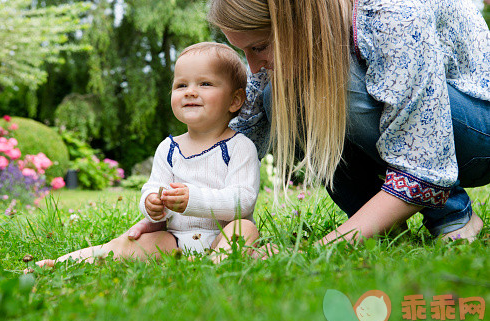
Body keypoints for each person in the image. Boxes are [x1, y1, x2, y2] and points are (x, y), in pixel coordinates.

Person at [207, 0, 490, 245]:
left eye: (259, 47)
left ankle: (453, 217)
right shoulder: (313, 32)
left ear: (298, 21)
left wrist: (320, 248)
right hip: (435, 132)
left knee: (320, 86)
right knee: (276, 95)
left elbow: (424, 161)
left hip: (478, 129)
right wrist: (186, 206)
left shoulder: (392, 13)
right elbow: (245, 132)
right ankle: (383, 229)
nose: (254, 67)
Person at [36, 42, 261, 267]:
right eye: (181, 85)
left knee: (245, 229)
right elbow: (153, 187)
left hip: (221, 237)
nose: (190, 91)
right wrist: (152, 204)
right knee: (127, 243)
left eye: (205, 83)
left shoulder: (239, 146)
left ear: (235, 100)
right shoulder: (169, 148)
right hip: (173, 241)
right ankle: (66, 262)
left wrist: (193, 200)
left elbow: (243, 201)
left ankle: (216, 263)